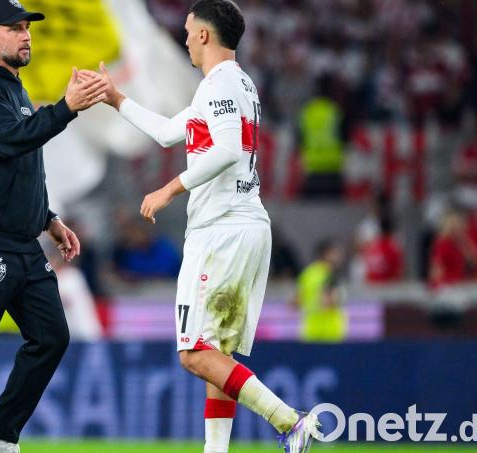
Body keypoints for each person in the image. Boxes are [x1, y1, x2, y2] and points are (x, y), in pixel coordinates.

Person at [92, 1, 321, 451]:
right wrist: (116, 98)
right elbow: (165, 132)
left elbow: (228, 150)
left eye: (187, 30)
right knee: (218, 357)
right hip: (244, 225)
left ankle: (289, 420)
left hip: (222, 230)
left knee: (194, 353)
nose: (183, 38)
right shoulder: (235, 86)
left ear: (203, 35)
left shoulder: (220, 85)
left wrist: (167, 190)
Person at [0, 1, 108, 452]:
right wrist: (65, 108)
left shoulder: (14, 89)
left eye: (27, 27)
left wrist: (47, 218)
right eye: (14, 28)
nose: (26, 34)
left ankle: (1, 436)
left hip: (20, 242)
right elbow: (8, 140)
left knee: (52, 336)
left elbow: (22, 164)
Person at [296, 240, 348, 343]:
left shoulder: (308, 273)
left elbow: (297, 301)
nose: (338, 256)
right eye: (335, 253)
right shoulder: (330, 275)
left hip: (311, 330)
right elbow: (329, 301)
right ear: (326, 253)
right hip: (330, 332)